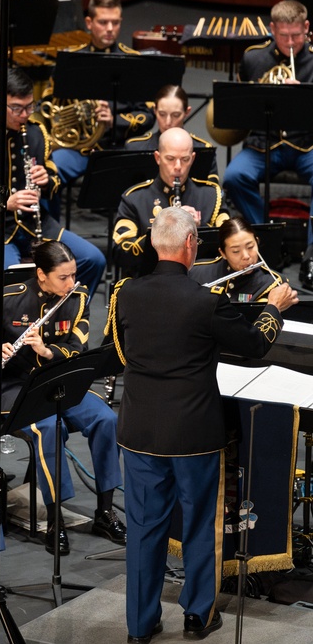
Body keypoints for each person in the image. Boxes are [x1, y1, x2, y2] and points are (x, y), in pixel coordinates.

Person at [109, 206, 297, 642]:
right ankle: (198, 615)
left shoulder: (126, 295)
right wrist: (272, 307)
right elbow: (254, 345)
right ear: (193, 245)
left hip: (138, 430)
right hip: (193, 434)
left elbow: (120, 353)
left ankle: (139, 626)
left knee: (142, 529)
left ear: (156, 244)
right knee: (198, 525)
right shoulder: (205, 302)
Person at [0, 241, 125, 555]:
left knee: (107, 419)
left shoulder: (77, 298)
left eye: (73, 275)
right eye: (63, 277)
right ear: (41, 275)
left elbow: (77, 348)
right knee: (49, 427)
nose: (71, 284)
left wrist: (46, 351)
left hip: (60, 379)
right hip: (15, 386)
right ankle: (55, 519)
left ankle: (105, 511)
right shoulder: (8, 298)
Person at [0, 68, 107, 299]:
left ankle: (64, 317)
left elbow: (54, 181)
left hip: (36, 225)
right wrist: (5, 203)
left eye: (29, 107)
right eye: (16, 108)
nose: (24, 115)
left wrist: (46, 180)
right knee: (15, 278)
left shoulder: (36, 133)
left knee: (93, 259)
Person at [47, 0, 155, 191]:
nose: (110, 29)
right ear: (89, 22)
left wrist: (115, 121)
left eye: (115, 23)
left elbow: (148, 116)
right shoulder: (70, 61)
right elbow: (46, 106)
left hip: (121, 147)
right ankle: (48, 223)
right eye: (103, 22)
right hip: (78, 149)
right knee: (46, 174)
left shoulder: (135, 62)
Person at [225, 0, 313, 230]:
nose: (291, 42)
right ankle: (265, 235)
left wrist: (302, 97)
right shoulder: (253, 58)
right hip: (264, 142)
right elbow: (241, 109)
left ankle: (312, 253)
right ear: (272, 29)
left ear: (306, 27)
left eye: (296, 35)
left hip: (307, 145)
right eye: (284, 35)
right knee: (234, 177)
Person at [114, 128, 228, 274]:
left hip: (199, 285)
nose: (178, 167)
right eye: (170, 159)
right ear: (158, 157)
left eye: (185, 159)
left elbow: (229, 243)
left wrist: (199, 229)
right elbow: (121, 253)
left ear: (192, 158)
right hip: (150, 286)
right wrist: (161, 230)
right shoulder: (134, 198)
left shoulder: (212, 195)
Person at [125, 85, 218, 183]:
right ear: (154, 110)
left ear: (187, 112)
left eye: (176, 115)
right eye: (162, 114)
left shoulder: (204, 150)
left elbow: (212, 193)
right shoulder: (135, 148)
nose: (168, 122)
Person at [189, 216, 286, 302]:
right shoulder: (195, 271)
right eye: (236, 251)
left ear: (257, 242)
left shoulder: (272, 284)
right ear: (223, 253)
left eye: (250, 247)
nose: (246, 256)